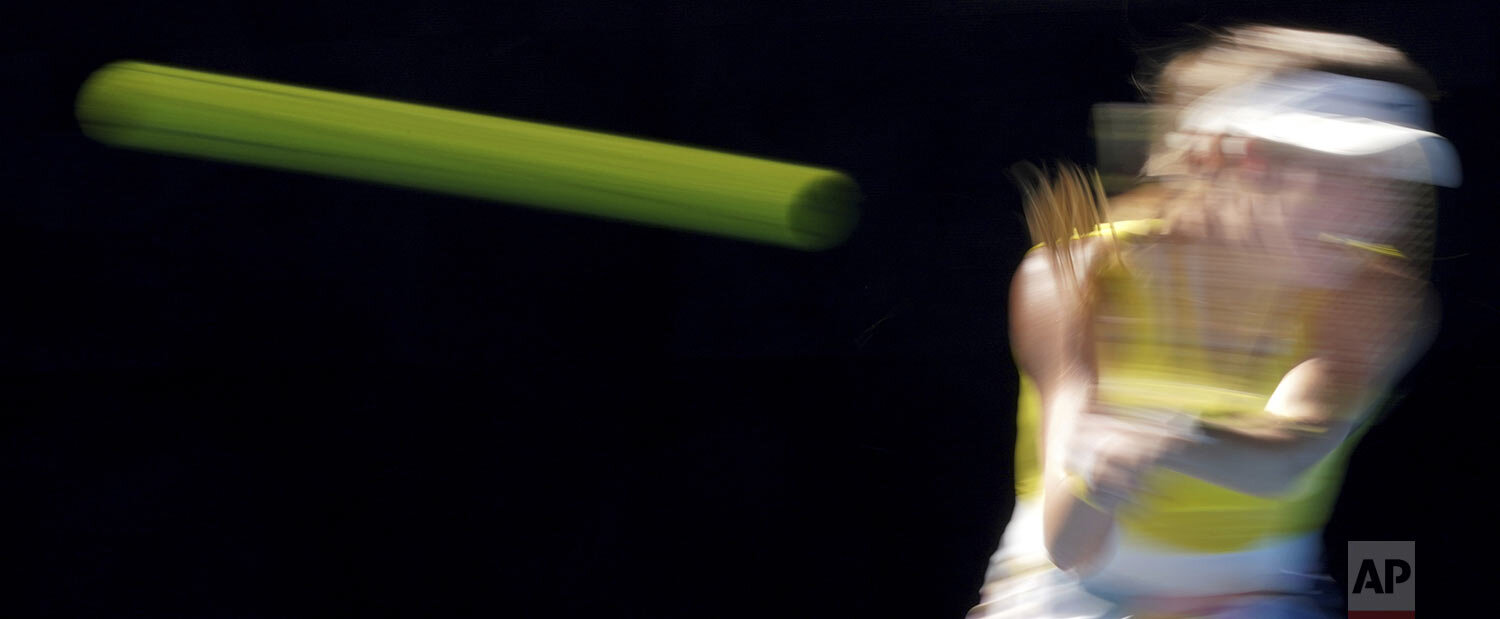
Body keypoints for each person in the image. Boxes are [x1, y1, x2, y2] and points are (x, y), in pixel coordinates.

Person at [968, 25, 1457, 618]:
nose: (1374, 209)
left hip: (1264, 590)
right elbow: (1068, 545)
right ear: (1236, 157)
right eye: (1339, 172)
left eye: (1389, 176)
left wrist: (1165, 439)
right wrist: (1104, 471)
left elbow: (1295, 450)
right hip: (1063, 588)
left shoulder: (1382, 297)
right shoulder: (1072, 274)